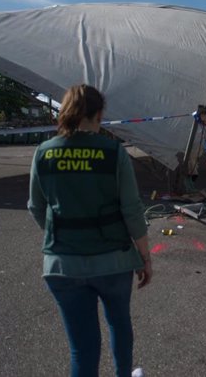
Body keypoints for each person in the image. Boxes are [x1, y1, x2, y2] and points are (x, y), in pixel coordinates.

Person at [28, 84, 152, 377]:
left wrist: (62, 237)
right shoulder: (113, 153)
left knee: (82, 349)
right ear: (99, 114)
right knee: (119, 324)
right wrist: (144, 257)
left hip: (62, 265)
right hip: (114, 262)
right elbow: (132, 209)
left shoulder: (44, 152)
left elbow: (36, 207)